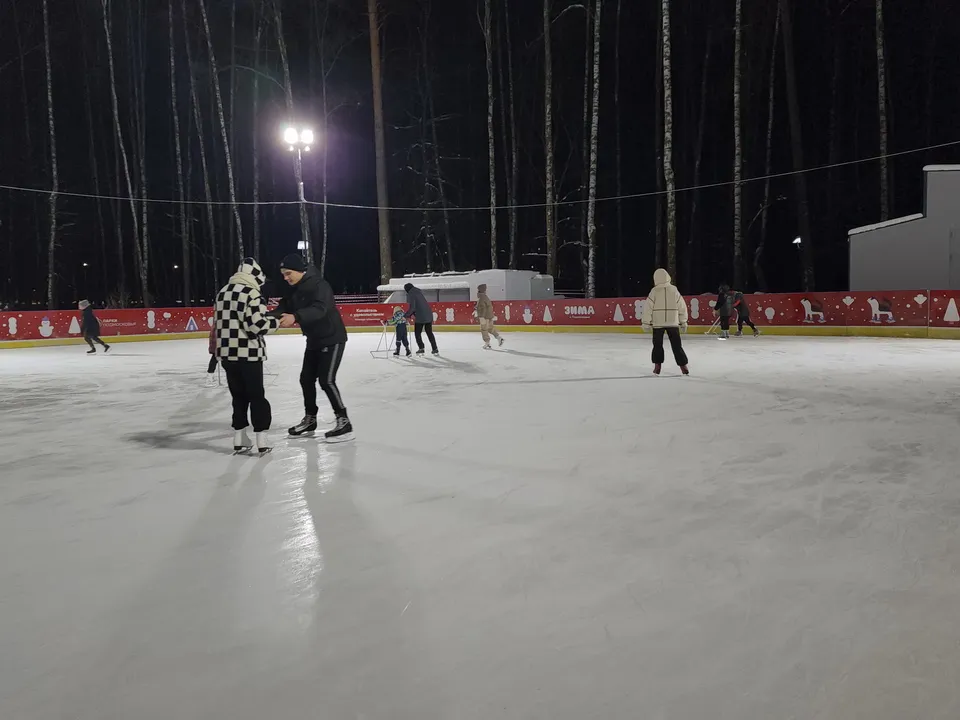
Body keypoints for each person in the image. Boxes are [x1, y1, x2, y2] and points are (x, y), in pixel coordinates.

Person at [275, 254, 353, 442]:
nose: (286, 278)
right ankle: (310, 419)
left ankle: (344, 420)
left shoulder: (320, 285)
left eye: (288, 273)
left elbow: (320, 308)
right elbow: (283, 307)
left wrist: (296, 317)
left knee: (326, 380)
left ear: (299, 270)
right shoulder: (294, 289)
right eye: (283, 275)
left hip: (332, 337)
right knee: (306, 379)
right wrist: (264, 315)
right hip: (314, 339)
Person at [214, 258, 280, 454]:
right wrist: (276, 323)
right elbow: (256, 326)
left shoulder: (222, 292)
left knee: (238, 396)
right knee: (256, 396)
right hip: (249, 354)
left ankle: (239, 436)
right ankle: (262, 439)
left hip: (227, 354)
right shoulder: (251, 293)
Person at [641, 268, 689, 376]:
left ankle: (657, 367)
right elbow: (682, 307)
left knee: (657, 346)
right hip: (673, 323)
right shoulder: (674, 290)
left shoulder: (654, 291)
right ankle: (683, 367)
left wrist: (646, 323)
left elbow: (647, 308)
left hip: (658, 324)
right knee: (677, 346)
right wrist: (683, 321)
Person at [403, 283, 439, 355]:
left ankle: (421, 348)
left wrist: (406, 315)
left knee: (417, 333)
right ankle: (435, 348)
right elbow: (419, 305)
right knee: (429, 332)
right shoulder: (418, 292)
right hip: (428, 314)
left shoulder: (411, 294)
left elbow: (413, 307)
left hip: (420, 316)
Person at [474, 283, 503, 349]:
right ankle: (499, 338)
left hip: (484, 316)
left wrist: (481, 316)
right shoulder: (485, 297)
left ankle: (487, 343)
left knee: (484, 329)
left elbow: (482, 308)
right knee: (490, 329)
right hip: (489, 316)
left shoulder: (481, 297)